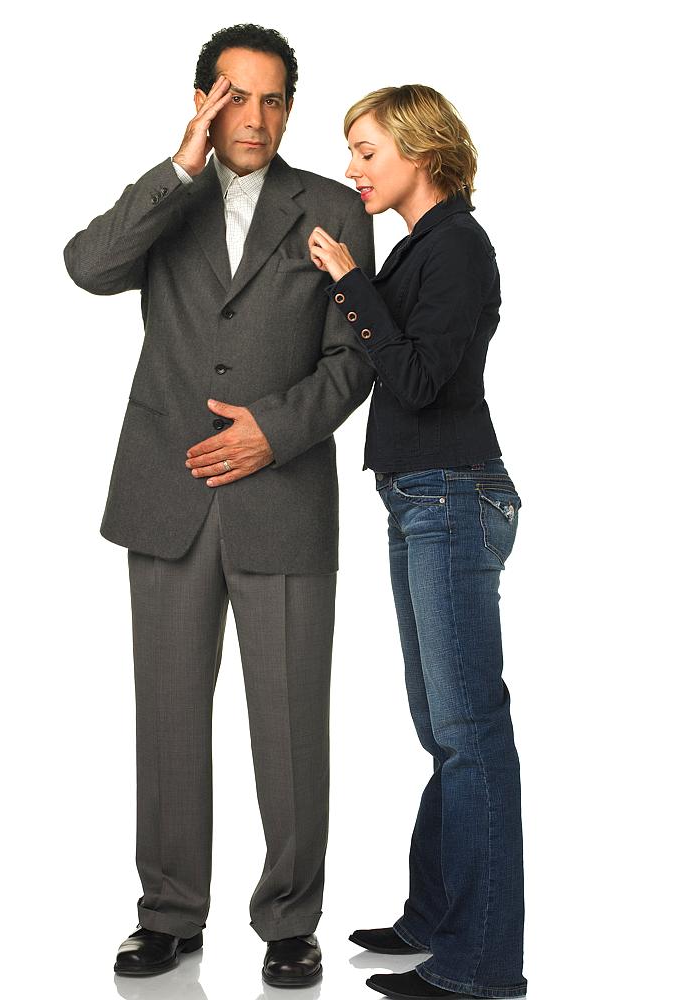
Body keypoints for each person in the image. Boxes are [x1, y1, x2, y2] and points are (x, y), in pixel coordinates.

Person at [63, 24, 374, 987]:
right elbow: (88, 265)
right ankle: (168, 915)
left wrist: (271, 432)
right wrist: (177, 167)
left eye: (274, 98)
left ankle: (290, 921)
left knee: (292, 722)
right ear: (205, 100)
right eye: (236, 96)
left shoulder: (333, 206)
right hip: (167, 493)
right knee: (167, 717)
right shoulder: (171, 197)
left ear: (290, 108)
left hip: (282, 495)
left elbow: (355, 357)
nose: (256, 116)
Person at [307, 85, 527, 999]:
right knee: (445, 731)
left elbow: (421, 379)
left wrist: (349, 285)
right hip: (420, 495)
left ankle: (481, 965)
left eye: (366, 151)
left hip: (451, 495)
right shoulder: (420, 248)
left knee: (471, 733)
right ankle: (434, 922)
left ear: (421, 150)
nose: (353, 168)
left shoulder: (459, 247)